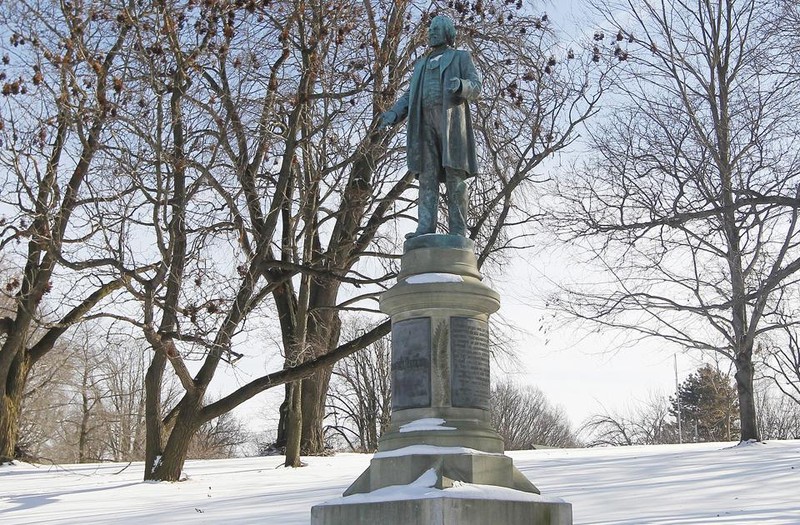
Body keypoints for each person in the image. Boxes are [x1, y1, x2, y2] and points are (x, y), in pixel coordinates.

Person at [380, 14, 481, 238]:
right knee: (427, 177)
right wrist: (393, 113)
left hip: (451, 125)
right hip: (423, 125)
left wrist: (462, 86)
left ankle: (457, 231)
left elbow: (476, 86)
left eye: (437, 28)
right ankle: (425, 228)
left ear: (448, 33)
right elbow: (409, 95)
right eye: (431, 29)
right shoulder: (421, 65)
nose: (432, 32)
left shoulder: (460, 58)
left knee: (455, 178)